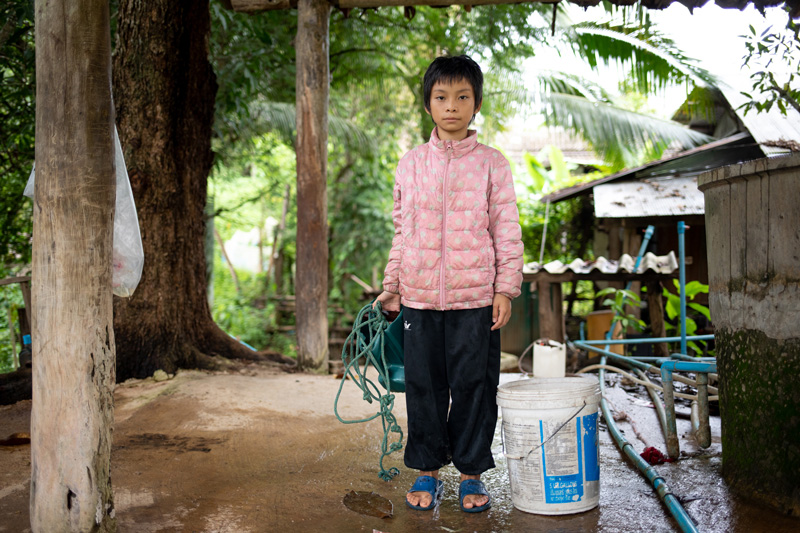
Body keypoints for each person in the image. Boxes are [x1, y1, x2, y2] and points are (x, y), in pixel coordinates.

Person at [374, 54, 523, 513]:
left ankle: (472, 473)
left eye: (462, 97)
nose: (452, 106)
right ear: (428, 105)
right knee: (424, 387)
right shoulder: (411, 164)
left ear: (476, 104)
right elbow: (403, 229)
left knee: (474, 387)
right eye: (442, 97)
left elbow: (506, 228)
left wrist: (505, 289)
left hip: (475, 299)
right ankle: (427, 469)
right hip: (418, 298)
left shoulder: (492, 165)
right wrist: (393, 283)